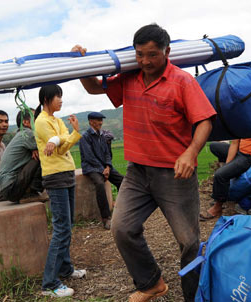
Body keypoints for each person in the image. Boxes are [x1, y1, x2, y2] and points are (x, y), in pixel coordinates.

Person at [72, 23, 216, 302]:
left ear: (167, 51)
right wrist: (82, 63)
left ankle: (194, 296)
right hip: (138, 172)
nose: (145, 62)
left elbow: (204, 121)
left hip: (175, 174)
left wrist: (190, 152)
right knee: (122, 228)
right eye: (140, 55)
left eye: (152, 55)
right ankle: (151, 283)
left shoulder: (182, 81)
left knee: (188, 242)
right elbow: (93, 88)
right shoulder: (129, 78)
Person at [34, 84, 86, 298]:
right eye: (58, 96)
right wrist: (59, 138)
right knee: (61, 228)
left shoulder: (56, 120)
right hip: (55, 176)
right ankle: (49, 283)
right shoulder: (42, 121)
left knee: (68, 224)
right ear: (47, 98)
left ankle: (65, 269)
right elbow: (57, 142)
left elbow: (62, 147)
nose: (61, 100)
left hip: (66, 172)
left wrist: (73, 132)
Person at [79, 112, 124, 230]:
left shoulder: (102, 136)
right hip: (91, 167)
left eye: (101, 120)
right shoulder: (85, 137)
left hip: (104, 167)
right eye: (98, 120)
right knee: (99, 183)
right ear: (91, 122)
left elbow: (107, 154)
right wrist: (102, 169)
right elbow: (89, 157)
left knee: (123, 181)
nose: (100, 122)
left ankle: (122, 209)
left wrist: (108, 167)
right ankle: (106, 218)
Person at [0, 109, 46, 203]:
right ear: (26, 122)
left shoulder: (22, 134)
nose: (39, 120)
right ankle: (31, 193)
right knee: (44, 155)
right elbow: (49, 146)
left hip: (7, 188)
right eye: (36, 118)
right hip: (11, 187)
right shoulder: (27, 134)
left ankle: (29, 192)